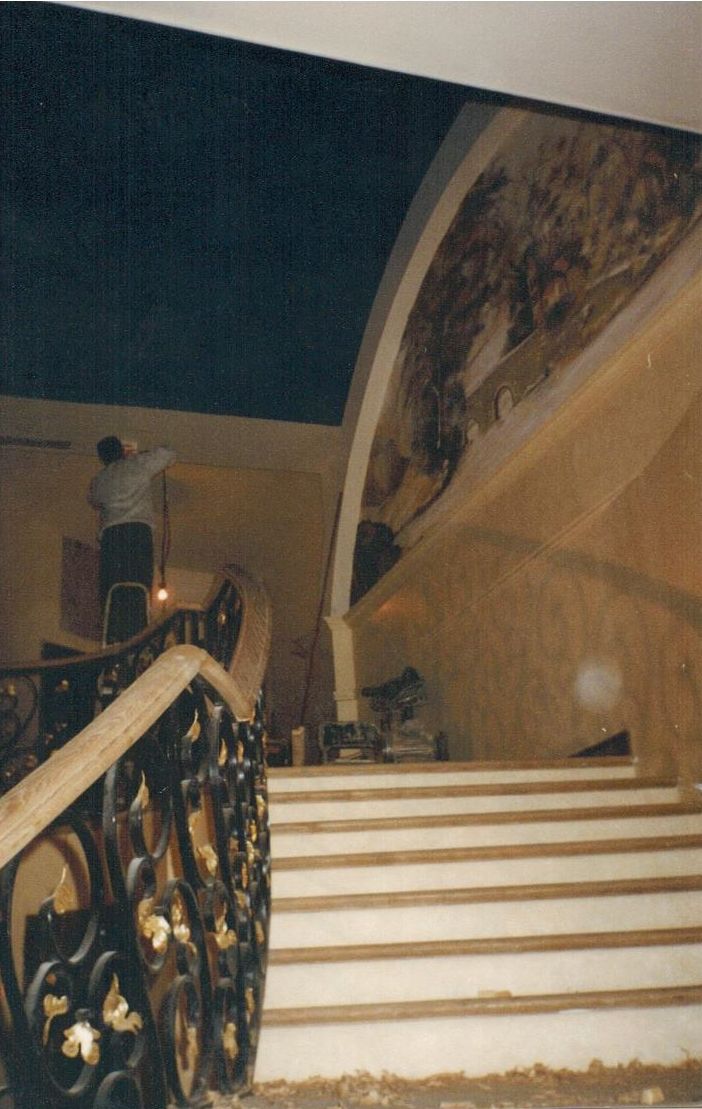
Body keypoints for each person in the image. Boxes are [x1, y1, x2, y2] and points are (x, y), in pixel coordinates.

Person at [88, 436, 175, 615]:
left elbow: (94, 500)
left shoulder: (99, 479)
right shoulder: (137, 465)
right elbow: (168, 453)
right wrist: (143, 454)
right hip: (137, 531)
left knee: (112, 585)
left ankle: (113, 623)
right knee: (139, 581)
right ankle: (138, 620)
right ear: (122, 450)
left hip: (111, 535)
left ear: (102, 458)